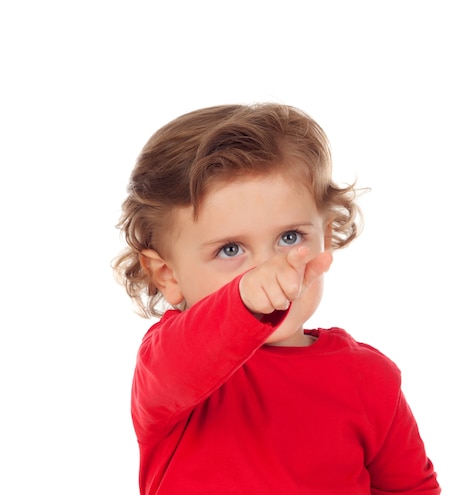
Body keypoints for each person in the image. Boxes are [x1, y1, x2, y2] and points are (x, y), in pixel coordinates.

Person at [113, 103, 441, 495]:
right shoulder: (168, 369)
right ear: (168, 275)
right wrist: (244, 300)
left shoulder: (370, 380)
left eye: (289, 238)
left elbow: (412, 489)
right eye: (231, 250)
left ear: (326, 233)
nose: (270, 268)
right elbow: (193, 350)